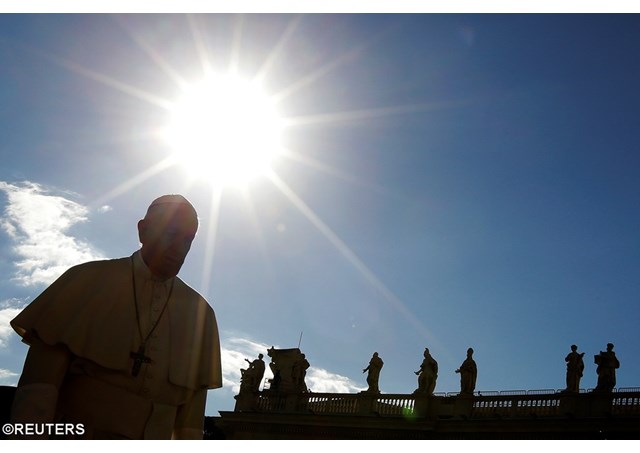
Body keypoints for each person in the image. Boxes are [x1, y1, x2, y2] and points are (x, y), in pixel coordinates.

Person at [9, 194, 222, 439]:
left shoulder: (200, 316)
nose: (179, 248)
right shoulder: (85, 282)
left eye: (187, 240)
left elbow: (189, 427)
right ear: (143, 231)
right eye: (171, 234)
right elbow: (36, 395)